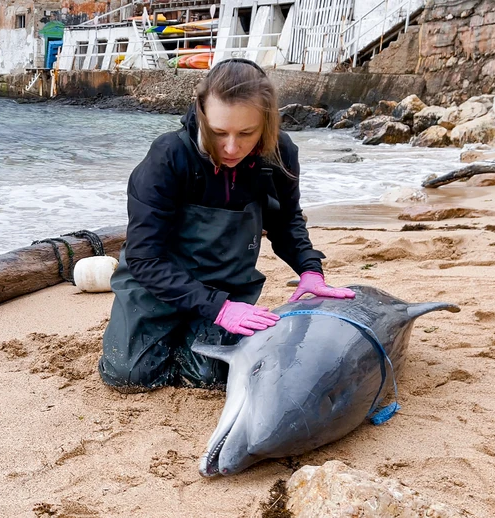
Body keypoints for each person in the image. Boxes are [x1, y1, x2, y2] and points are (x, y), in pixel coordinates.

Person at [98, 58, 355, 392]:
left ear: (266, 123)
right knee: (129, 376)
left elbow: (286, 219)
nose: (231, 148)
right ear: (202, 114)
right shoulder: (168, 157)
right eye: (219, 133)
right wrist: (217, 309)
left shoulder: (279, 154)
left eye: (246, 133)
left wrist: (309, 269)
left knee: (211, 376)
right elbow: (145, 260)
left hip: (229, 284)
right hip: (156, 286)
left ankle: (194, 338)